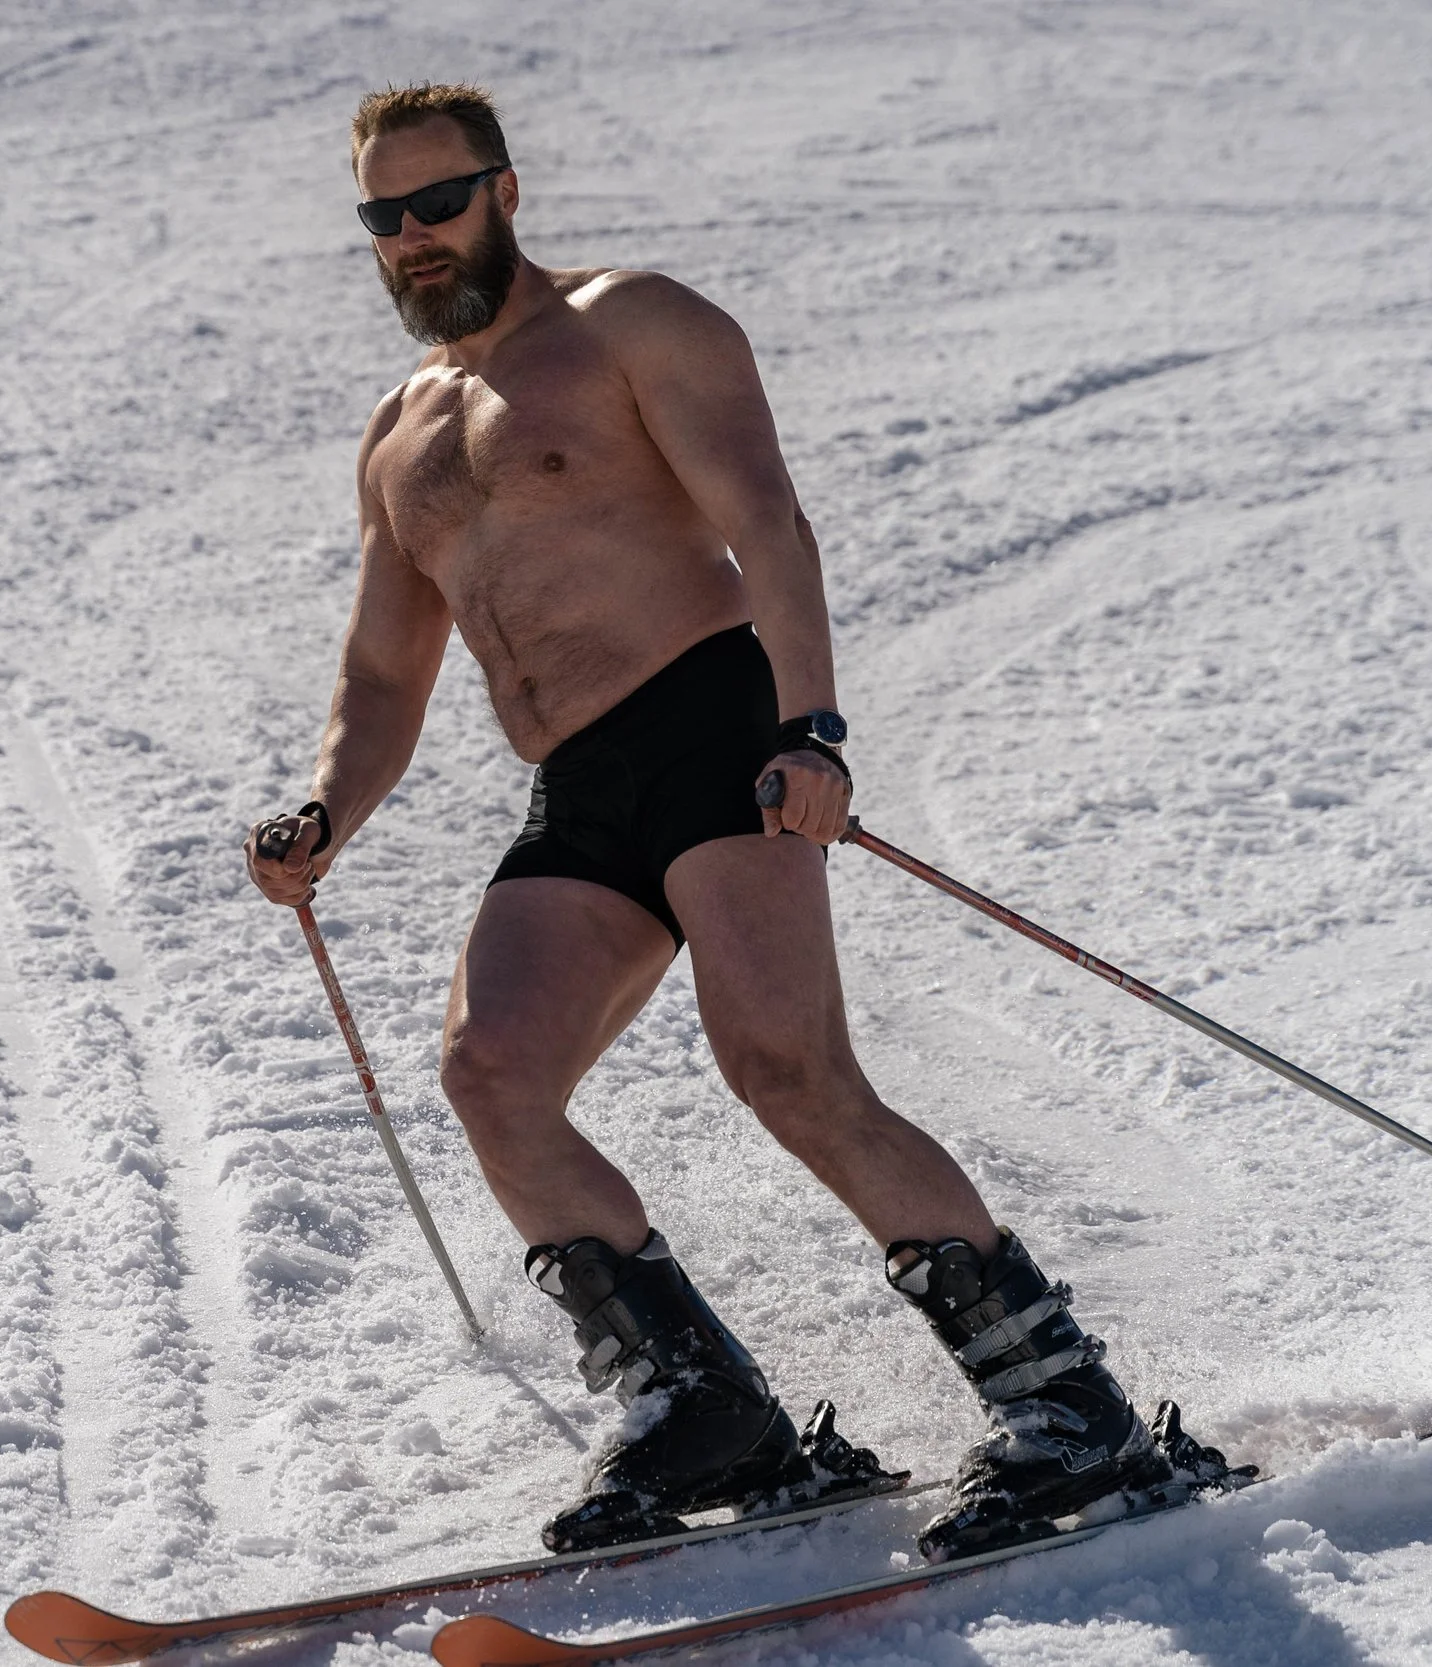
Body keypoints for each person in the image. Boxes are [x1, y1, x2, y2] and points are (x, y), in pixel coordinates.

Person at [244, 83, 1229, 1558]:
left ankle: (1064, 1407)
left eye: (437, 203)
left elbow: (768, 520)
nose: (412, 239)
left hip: (714, 722)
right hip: (578, 784)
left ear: (505, 189)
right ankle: (704, 1408)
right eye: (382, 219)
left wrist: (809, 726)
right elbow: (385, 668)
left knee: (784, 1066)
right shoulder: (399, 433)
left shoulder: (633, 322)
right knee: (490, 1071)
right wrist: (327, 805)